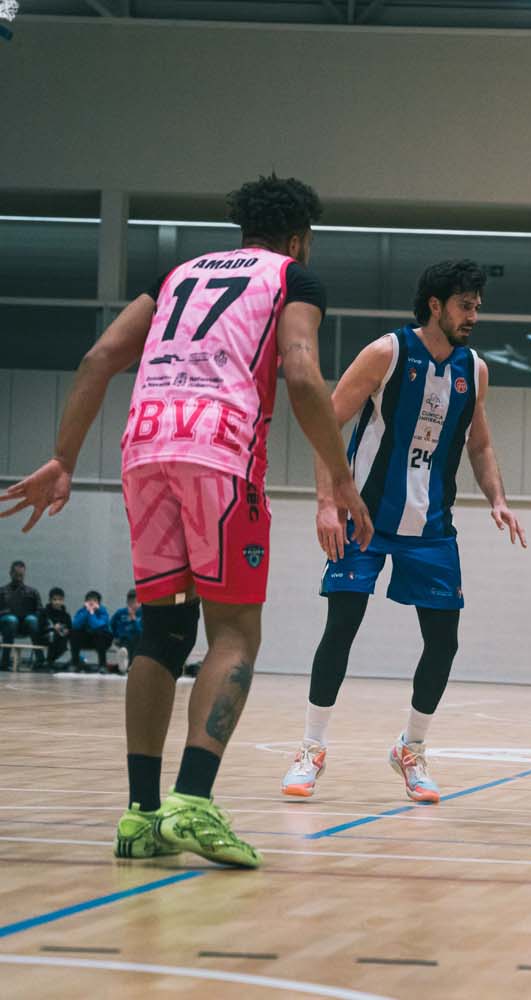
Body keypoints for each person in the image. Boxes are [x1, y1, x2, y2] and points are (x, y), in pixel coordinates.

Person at [1, 174, 372, 868]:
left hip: (144, 449)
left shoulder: (175, 275)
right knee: (232, 628)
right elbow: (299, 370)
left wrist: (61, 457)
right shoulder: (293, 276)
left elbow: (99, 357)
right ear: (298, 238)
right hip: (220, 454)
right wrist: (341, 479)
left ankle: (141, 815)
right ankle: (193, 801)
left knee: (162, 628)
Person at [280, 259, 526, 803]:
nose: (474, 315)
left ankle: (411, 750)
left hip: (431, 527)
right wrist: (327, 503)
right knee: (341, 624)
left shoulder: (474, 369)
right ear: (435, 305)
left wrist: (499, 499)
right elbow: (326, 421)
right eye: (466, 305)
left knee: (444, 641)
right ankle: (310, 749)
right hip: (363, 515)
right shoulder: (387, 353)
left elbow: (478, 443)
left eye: (478, 306)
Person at [0, 560, 42, 670]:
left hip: (25, 624)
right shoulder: (2, 591)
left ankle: (40, 660)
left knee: (32, 620)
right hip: (6, 624)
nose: (19, 578)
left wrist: (32, 615)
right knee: (11, 619)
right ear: (10, 574)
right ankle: (4, 661)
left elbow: (39, 610)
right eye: (16, 575)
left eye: (21, 575)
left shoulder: (33, 592)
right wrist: (6, 612)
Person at [70, 590, 113, 673]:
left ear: (99, 603)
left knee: (100, 634)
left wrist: (91, 613)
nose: (92, 603)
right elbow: (75, 625)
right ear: (85, 602)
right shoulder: (82, 611)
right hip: (87, 639)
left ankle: (102, 665)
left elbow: (97, 626)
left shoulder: (103, 612)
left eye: (95, 601)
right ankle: (74, 664)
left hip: (102, 641)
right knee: (74, 633)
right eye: (89, 600)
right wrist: (87, 611)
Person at [39, 587, 71, 669]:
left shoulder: (66, 615)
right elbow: (40, 628)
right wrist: (52, 628)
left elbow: (69, 628)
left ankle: (49, 661)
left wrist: (65, 630)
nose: (57, 602)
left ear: (63, 600)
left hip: (61, 638)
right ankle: (49, 662)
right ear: (50, 600)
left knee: (62, 640)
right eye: (55, 599)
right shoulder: (44, 612)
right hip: (45, 637)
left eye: (60, 600)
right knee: (53, 635)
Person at [111, 589, 143, 666]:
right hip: (123, 639)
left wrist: (134, 620)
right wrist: (115, 636)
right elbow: (112, 624)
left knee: (136, 640)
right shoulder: (120, 613)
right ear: (127, 602)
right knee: (125, 645)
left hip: (138, 639)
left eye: (136, 602)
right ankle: (125, 663)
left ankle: (129, 664)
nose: (134, 605)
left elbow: (141, 631)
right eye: (131, 602)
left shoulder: (143, 613)